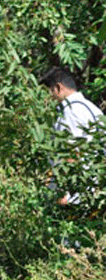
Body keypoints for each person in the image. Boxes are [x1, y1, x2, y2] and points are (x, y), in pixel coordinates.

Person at [40, 67, 104, 205]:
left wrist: (63, 194)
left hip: (78, 197)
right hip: (95, 190)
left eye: (49, 92)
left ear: (58, 88)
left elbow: (70, 153)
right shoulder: (90, 108)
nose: (49, 98)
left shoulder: (70, 112)